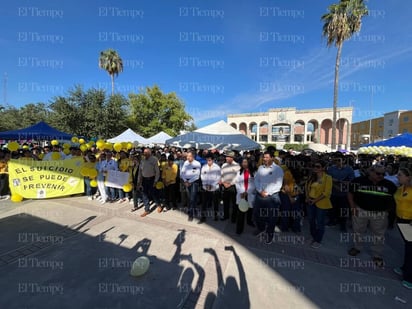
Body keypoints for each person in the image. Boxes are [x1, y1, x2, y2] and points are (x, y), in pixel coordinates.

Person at [347, 164, 397, 267]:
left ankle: (377, 254)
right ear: (371, 172)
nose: (381, 176)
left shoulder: (389, 185)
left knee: (379, 235)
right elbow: (350, 193)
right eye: (378, 173)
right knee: (358, 231)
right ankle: (357, 248)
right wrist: (353, 207)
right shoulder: (358, 181)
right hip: (361, 211)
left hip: (380, 214)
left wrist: (388, 211)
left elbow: (396, 198)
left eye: (383, 174)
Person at [253, 151, 284, 244]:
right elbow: (256, 180)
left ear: (272, 158)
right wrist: (260, 191)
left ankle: (269, 234)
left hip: (272, 197)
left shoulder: (278, 169)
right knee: (256, 214)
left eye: (267, 157)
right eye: (264, 157)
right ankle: (261, 228)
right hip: (260, 195)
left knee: (272, 217)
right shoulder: (260, 168)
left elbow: (279, 184)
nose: (265, 159)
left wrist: (267, 192)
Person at [305, 160, 333, 249]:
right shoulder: (311, 177)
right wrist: (307, 197)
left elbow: (326, 193)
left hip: (321, 202)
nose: (315, 168)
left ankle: (318, 240)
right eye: (314, 166)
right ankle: (313, 236)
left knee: (320, 222)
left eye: (318, 167)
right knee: (311, 221)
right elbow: (306, 188)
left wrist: (315, 200)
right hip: (310, 201)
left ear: (323, 168)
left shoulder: (328, 178)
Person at [393, 168, 412, 289]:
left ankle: (409, 278)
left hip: (409, 221)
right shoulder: (400, 188)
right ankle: (405, 267)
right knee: (408, 246)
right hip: (400, 220)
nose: (397, 176)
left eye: (400, 175)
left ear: (408, 177)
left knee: (411, 250)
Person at [327, 155, 355, 231]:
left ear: (344, 161)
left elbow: (351, 180)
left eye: (339, 160)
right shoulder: (331, 168)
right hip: (333, 192)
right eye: (335, 160)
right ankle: (332, 221)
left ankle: (343, 225)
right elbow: (328, 179)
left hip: (344, 193)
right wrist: (337, 185)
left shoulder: (349, 169)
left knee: (344, 209)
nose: (337, 162)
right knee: (332, 208)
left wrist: (339, 182)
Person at [234, 158, 256, 234]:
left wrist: (247, 192)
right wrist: (241, 192)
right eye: (243, 162)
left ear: (249, 163)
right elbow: (236, 183)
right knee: (241, 212)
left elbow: (254, 184)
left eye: (245, 162)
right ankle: (239, 229)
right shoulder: (239, 172)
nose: (244, 164)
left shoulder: (254, 172)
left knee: (250, 209)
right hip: (241, 194)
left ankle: (249, 221)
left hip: (249, 194)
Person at [138, 148, 160, 217]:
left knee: (153, 194)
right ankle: (147, 209)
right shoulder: (142, 160)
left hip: (152, 179)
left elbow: (157, 171)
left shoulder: (154, 159)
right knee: (144, 195)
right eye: (144, 152)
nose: (145, 154)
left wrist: (156, 181)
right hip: (144, 180)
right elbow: (140, 172)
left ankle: (158, 205)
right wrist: (139, 181)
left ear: (150, 153)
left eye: (146, 152)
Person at [200, 153, 221, 223]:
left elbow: (218, 178)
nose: (208, 162)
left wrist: (212, 185)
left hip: (214, 188)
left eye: (209, 160)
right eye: (207, 160)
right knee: (204, 203)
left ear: (213, 160)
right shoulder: (204, 167)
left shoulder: (217, 167)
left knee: (215, 203)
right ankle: (203, 217)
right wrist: (206, 185)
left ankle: (216, 215)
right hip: (205, 187)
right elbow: (202, 176)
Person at [180, 150, 201, 221]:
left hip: (194, 182)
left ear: (193, 156)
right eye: (187, 156)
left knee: (192, 198)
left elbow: (197, 175)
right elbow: (182, 173)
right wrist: (185, 181)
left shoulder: (197, 163)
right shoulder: (185, 163)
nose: (187, 157)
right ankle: (194, 209)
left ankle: (191, 214)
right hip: (186, 182)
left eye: (189, 156)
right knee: (191, 198)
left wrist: (189, 182)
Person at [220, 151, 240, 222]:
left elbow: (237, 177)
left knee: (234, 203)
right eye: (226, 157)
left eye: (228, 157)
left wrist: (230, 184)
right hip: (225, 186)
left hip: (233, 187)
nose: (226, 158)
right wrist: (223, 182)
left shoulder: (237, 165)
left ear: (232, 158)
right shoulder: (224, 165)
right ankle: (226, 216)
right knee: (226, 202)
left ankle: (233, 218)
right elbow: (221, 174)